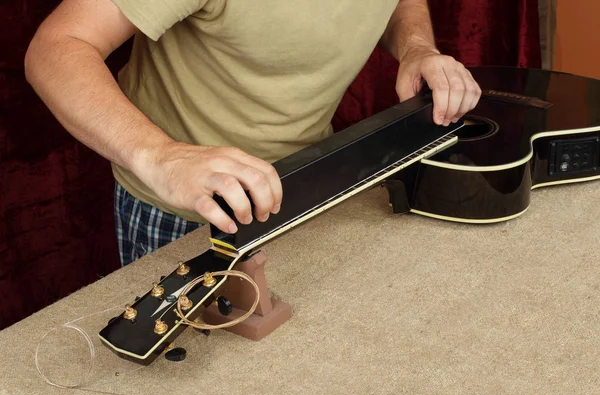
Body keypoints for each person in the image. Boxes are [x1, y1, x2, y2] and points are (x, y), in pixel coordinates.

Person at [25, 0, 481, 265]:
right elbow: (57, 46)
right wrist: (162, 157)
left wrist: (416, 47)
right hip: (187, 207)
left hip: (312, 182)